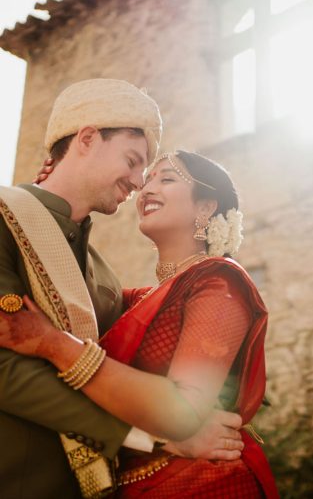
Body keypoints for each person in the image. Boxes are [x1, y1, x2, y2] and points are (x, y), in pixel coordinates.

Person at [0, 79, 243, 499]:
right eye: (132, 161)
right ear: (88, 139)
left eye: (147, 172)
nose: (137, 183)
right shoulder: (4, 220)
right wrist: (155, 438)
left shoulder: (106, 280)